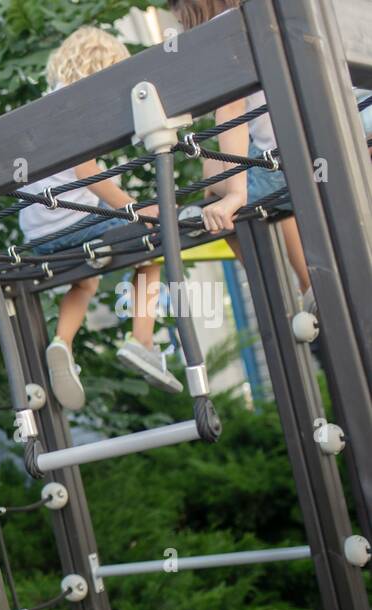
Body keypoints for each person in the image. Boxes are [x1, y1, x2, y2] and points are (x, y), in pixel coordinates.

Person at [168, 0, 372, 308]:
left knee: (214, 179)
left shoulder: (225, 29)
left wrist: (235, 194)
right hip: (350, 128)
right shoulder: (280, 13)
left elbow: (231, 107)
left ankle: (283, 295)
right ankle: (303, 285)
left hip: (300, 158)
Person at [20, 26, 182, 412]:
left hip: (39, 234)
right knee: (152, 242)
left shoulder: (44, 107)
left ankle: (62, 342)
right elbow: (86, 171)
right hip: (75, 226)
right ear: (105, 67)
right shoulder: (79, 104)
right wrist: (135, 208)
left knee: (86, 283)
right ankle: (141, 342)